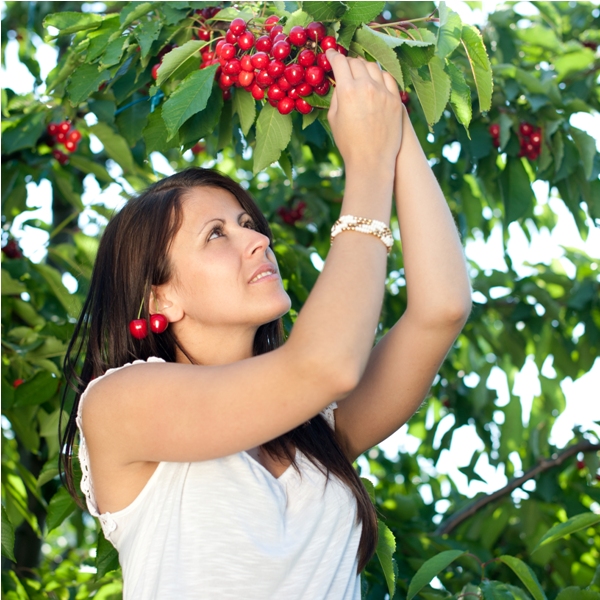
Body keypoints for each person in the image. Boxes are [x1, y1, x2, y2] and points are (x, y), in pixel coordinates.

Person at [60, 48, 472, 599]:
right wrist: (368, 167)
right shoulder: (119, 404)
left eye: (247, 223)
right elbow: (323, 365)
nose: (259, 240)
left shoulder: (317, 432)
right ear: (161, 296)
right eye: (216, 235)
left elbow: (441, 309)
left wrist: (389, 120)